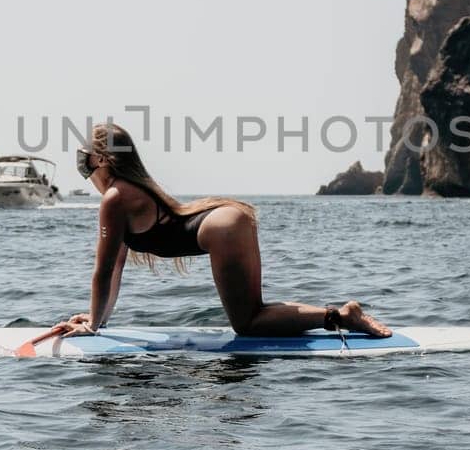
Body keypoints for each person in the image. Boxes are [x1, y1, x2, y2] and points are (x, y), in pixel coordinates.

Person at [52, 122, 391, 339]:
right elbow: (117, 268)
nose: (81, 162)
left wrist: (92, 327)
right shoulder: (128, 191)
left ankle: (343, 316)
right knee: (254, 313)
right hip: (229, 219)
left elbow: (104, 269)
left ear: (102, 159)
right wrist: (100, 320)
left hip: (220, 229)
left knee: (247, 325)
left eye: (84, 155)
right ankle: (340, 314)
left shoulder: (115, 197)